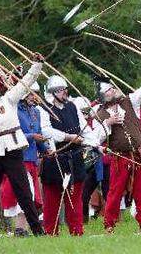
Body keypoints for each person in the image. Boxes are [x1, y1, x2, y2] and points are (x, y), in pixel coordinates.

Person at [0, 54, 46, 238]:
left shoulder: (8, 100)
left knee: (23, 191)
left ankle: (37, 229)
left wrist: (36, 65)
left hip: (12, 149)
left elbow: (25, 82)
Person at [90, 62, 141, 234]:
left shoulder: (129, 101)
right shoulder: (99, 115)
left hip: (139, 154)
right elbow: (95, 138)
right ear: (103, 97)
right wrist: (107, 123)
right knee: (115, 193)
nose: (112, 91)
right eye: (108, 91)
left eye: (112, 89)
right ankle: (109, 225)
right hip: (120, 158)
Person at [39, 75, 93, 236]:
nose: (65, 93)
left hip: (75, 158)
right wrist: (68, 137)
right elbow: (45, 130)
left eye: (65, 90)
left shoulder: (72, 107)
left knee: (76, 198)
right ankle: (50, 232)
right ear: (53, 93)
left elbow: (84, 129)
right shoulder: (43, 109)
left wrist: (94, 143)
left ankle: (77, 232)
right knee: (52, 200)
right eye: (62, 90)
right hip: (55, 159)